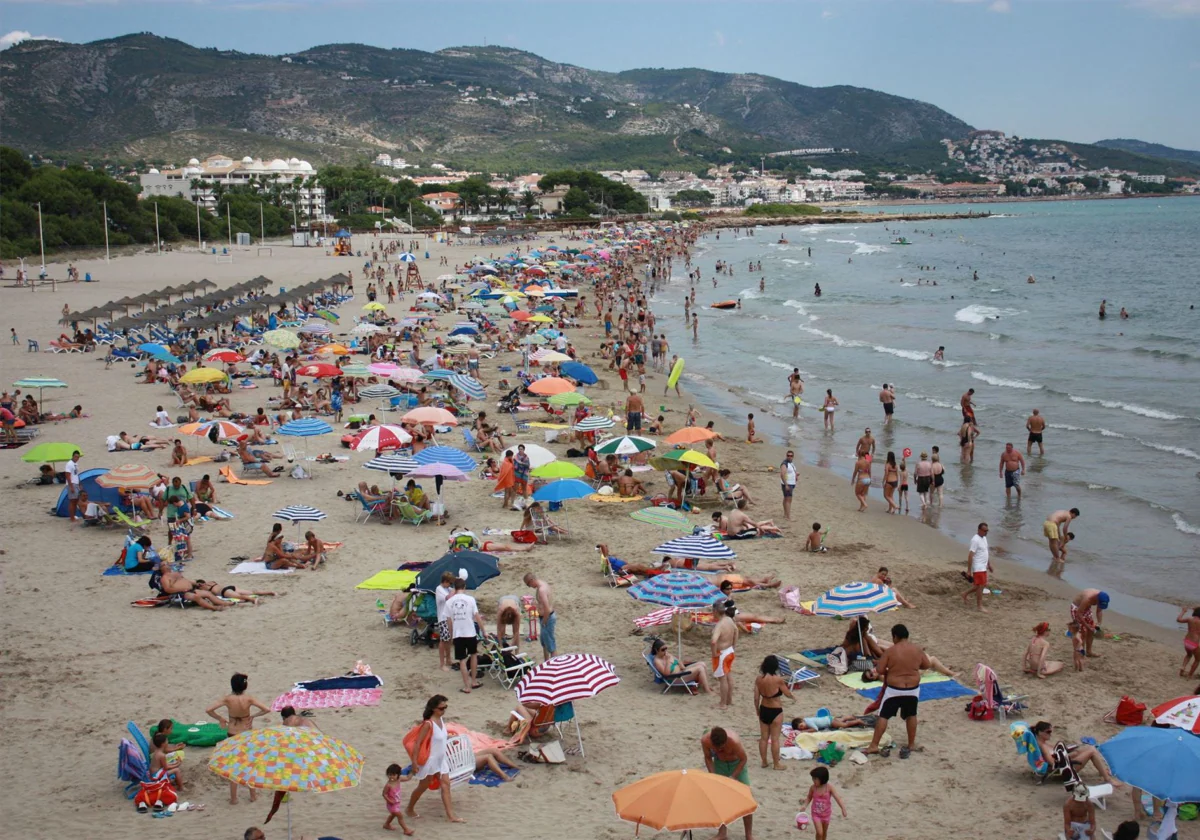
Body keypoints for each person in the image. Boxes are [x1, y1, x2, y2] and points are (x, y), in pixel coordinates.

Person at [864, 624, 929, 759]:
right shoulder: (917, 649)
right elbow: (926, 665)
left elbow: (880, 670)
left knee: (883, 716)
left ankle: (874, 745)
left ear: (895, 637)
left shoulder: (891, 651)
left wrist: (892, 668)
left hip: (894, 689)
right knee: (911, 715)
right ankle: (911, 744)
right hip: (912, 689)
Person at [206, 673, 271, 803]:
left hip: (232, 733)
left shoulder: (227, 699)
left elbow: (209, 709)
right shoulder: (249, 699)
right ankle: (253, 796)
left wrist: (220, 719)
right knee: (249, 764)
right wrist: (253, 716)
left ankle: (234, 798)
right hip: (246, 733)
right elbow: (266, 709)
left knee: (233, 766)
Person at [405, 695, 463, 823]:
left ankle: (451, 816)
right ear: (433, 708)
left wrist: (450, 740)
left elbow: (439, 739)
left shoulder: (441, 720)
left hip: (441, 759)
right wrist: (414, 762)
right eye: (442, 708)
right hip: (430, 761)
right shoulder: (428, 724)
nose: (444, 710)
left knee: (445, 785)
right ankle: (409, 808)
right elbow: (418, 743)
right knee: (423, 786)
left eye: (445, 707)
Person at [700, 727, 753, 840]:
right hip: (720, 764)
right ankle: (722, 833)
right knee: (719, 799)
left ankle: (749, 835)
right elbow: (708, 757)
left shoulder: (734, 741)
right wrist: (713, 775)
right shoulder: (705, 740)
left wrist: (733, 776)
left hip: (737, 764)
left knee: (746, 798)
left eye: (722, 747)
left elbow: (744, 759)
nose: (719, 750)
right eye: (716, 748)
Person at [1030, 721, 1118, 785]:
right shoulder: (1043, 747)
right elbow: (1053, 763)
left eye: (1051, 731)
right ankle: (1107, 779)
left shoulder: (1042, 742)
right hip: (1064, 771)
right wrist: (1069, 755)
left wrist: (1071, 751)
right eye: (1048, 732)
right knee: (1092, 752)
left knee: (1089, 747)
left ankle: (1102, 771)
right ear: (1040, 732)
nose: (1050, 734)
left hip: (1064, 764)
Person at [753, 655, 794, 770]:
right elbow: (787, 693)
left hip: (764, 709)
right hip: (776, 710)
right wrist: (793, 698)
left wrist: (757, 710)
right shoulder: (778, 680)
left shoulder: (758, 679)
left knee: (763, 738)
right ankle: (776, 764)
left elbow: (756, 698)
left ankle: (764, 762)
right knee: (775, 739)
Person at [445, 577, 482, 693]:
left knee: (461, 660)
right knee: (473, 655)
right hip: (470, 631)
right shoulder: (470, 599)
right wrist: (483, 630)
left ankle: (466, 686)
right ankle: (474, 681)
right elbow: (477, 616)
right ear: (464, 587)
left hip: (458, 633)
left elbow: (449, 620)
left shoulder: (449, 602)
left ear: (455, 589)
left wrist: (451, 635)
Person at [802, 765, 848, 840]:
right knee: (819, 833)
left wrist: (843, 808)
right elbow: (809, 797)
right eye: (812, 778)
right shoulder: (813, 788)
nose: (813, 780)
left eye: (815, 779)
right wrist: (805, 805)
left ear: (822, 779)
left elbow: (838, 798)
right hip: (816, 814)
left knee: (824, 833)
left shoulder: (829, 788)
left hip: (826, 814)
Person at [711, 598, 739, 711]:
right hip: (729, 650)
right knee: (728, 675)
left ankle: (723, 704)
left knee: (722, 679)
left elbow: (713, 641)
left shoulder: (720, 625)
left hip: (721, 653)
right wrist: (734, 645)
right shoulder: (729, 619)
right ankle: (729, 700)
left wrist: (714, 653)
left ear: (715, 611)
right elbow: (736, 630)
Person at [961, 522, 992, 612]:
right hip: (978, 566)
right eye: (984, 531)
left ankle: (964, 594)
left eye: (987, 531)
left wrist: (989, 564)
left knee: (979, 586)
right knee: (980, 586)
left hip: (983, 566)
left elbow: (985, 552)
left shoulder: (984, 538)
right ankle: (979, 606)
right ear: (979, 530)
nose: (986, 532)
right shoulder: (975, 540)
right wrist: (969, 570)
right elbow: (970, 555)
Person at [1069, 589, 1108, 660]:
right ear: (1097, 599)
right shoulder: (1087, 598)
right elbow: (1079, 613)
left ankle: (1089, 652)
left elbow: (1099, 611)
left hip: (1087, 608)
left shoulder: (1102, 598)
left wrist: (1098, 624)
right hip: (1077, 609)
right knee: (1082, 632)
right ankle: (1081, 653)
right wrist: (1087, 625)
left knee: (1091, 631)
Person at [525, 573, 556, 660]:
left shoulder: (542, 590)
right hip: (545, 617)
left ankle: (554, 666)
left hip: (547, 618)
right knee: (545, 643)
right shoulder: (542, 584)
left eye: (528, 584)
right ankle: (546, 663)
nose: (529, 586)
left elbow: (547, 608)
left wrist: (544, 622)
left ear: (531, 580)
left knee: (551, 645)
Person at [382, 763, 415, 834]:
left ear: (398, 775)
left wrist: (412, 772)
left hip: (397, 803)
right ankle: (406, 830)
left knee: (393, 815)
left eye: (393, 775)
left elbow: (408, 778)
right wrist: (389, 801)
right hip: (391, 804)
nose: (391, 777)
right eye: (389, 774)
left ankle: (386, 824)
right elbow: (384, 794)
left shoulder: (399, 779)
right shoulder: (388, 785)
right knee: (400, 816)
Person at [1177, 606, 1200, 678]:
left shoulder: (1190, 619)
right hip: (1194, 643)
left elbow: (1178, 619)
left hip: (1187, 641)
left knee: (1188, 655)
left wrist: (1183, 611)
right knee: (1197, 659)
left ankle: (1182, 669)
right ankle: (1190, 675)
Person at [779, 450, 797, 521]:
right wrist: (786, 484)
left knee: (786, 498)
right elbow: (782, 474)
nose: (789, 457)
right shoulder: (784, 464)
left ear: (793, 457)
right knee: (788, 500)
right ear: (786, 456)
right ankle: (788, 516)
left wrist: (796, 474)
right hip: (788, 484)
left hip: (791, 483)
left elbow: (790, 472)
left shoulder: (791, 463)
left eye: (791, 456)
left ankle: (785, 514)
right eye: (788, 455)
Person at [64, 450, 82, 523]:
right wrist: (71, 486)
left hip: (76, 483)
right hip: (72, 483)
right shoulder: (69, 464)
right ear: (72, 456)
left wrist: (79, 484)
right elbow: (67, 475)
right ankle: (72, 517)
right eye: (75, 456)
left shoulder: (75, 464)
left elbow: (76, 475)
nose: (76, 458)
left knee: (76, 500)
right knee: (72, 501)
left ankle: (73, 515)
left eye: (78, 457)